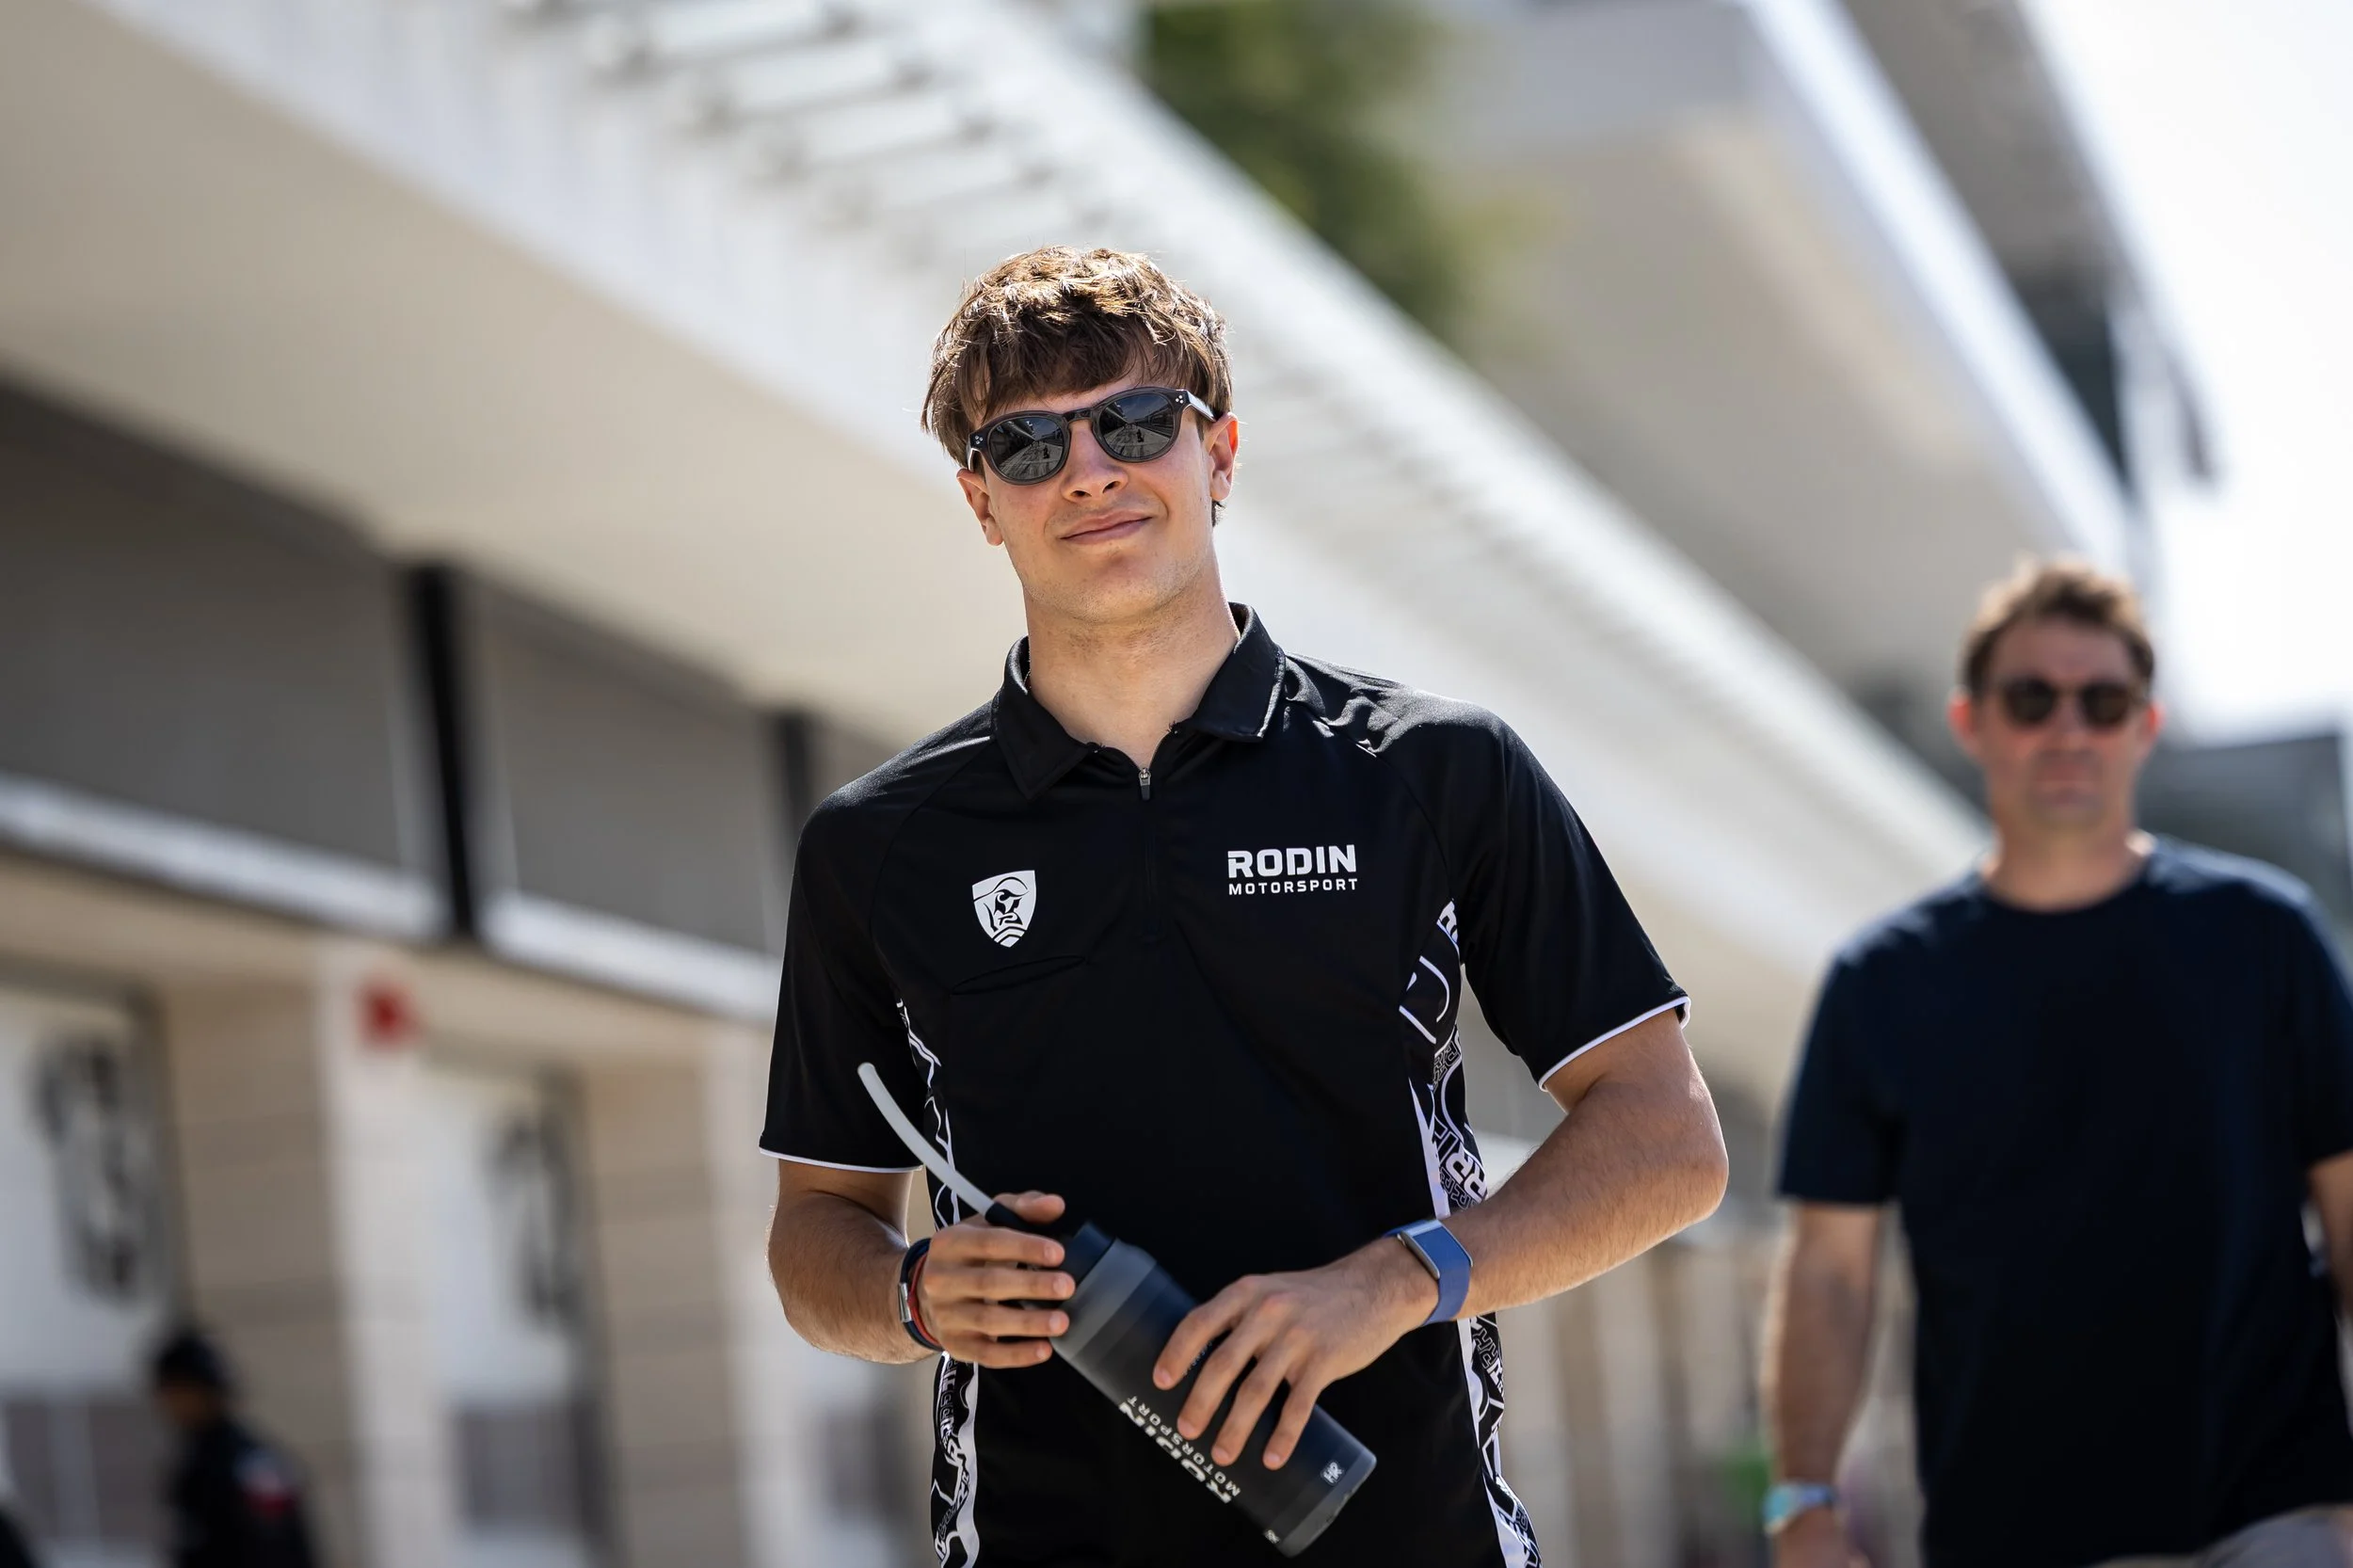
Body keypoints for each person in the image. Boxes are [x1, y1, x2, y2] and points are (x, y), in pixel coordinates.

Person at [760, 246, 1728, 1567]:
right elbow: (819, 1231)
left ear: (1217, 453)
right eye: (1029, 445)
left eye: (1135, 422)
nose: (1090, 468)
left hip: (1409, 1534)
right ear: (984, 501)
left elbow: (1668, 1138)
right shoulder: (879, 847)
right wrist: (911, 1292)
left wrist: (1397, 1280)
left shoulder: (1434, 773)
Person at [1763, 560, 2353, 1568]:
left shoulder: (2263, 936)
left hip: (2274, 1510)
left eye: (2103, 699)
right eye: (2031, 698)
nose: (2068, 728)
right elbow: (1828, 1273)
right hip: (2012, 1528)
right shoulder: (1882, 982)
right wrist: (1803, 1501)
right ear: (1971, 722)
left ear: (2143, 725)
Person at [151, 1328, 320, 1568]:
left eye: (174, 1391)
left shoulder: (248, 1461)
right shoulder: (198, 1458)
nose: (168, 1405)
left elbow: (276, 1547)